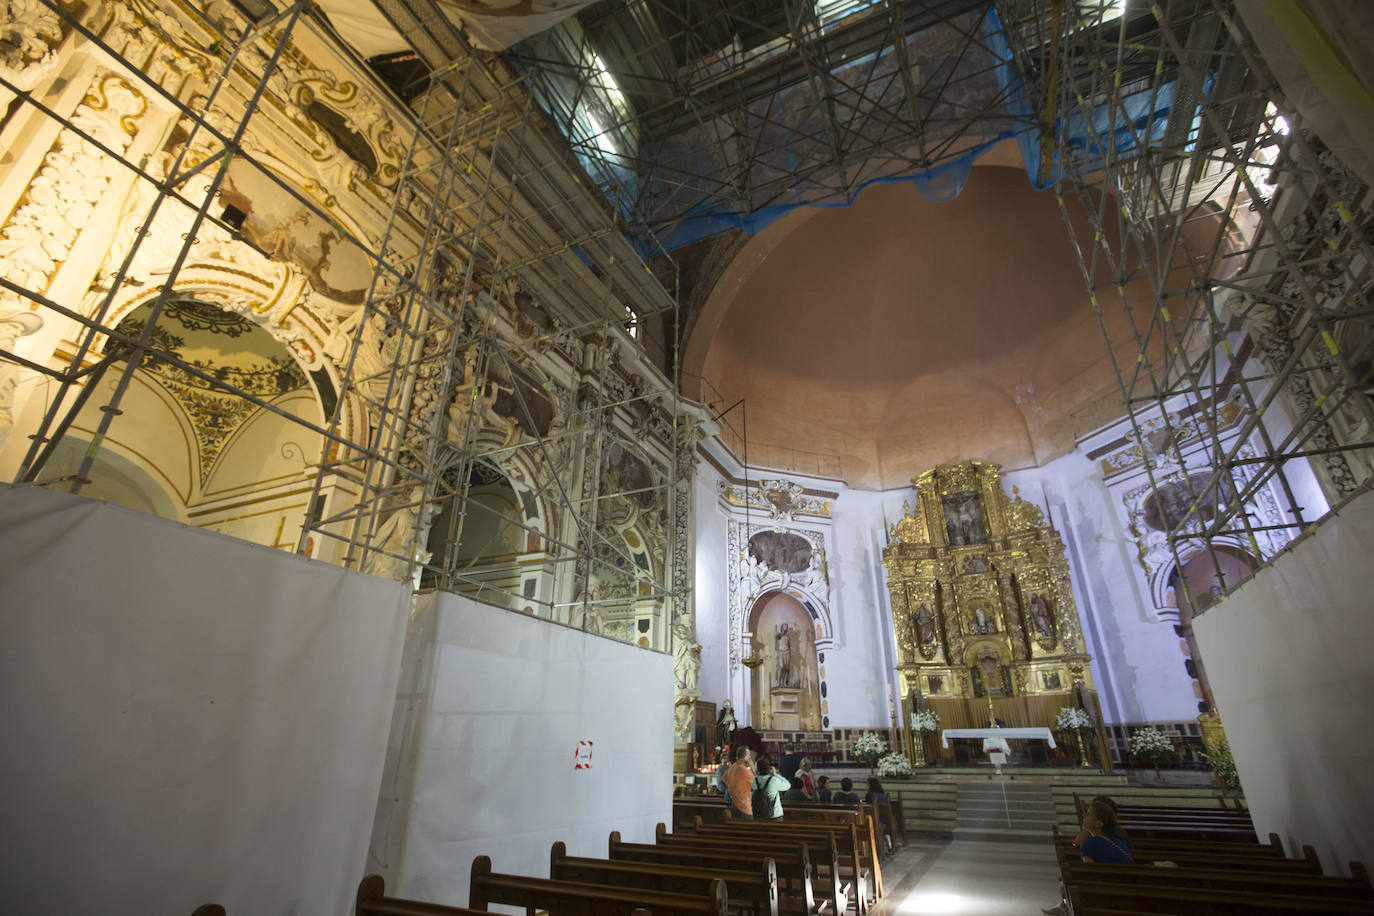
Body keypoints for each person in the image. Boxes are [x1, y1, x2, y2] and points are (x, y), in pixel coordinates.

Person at [1041, 796, 1133, 916]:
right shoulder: (1116, 841)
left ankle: (1064, 907)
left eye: (1088, 814)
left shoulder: (1089, 845)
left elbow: (1089, 875)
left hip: (1109, 895)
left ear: (1099, 823)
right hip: (1128, 891)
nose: (1084, 816)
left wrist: (1066, 880)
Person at [750, 756, 792, 820]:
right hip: (775, 814)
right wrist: (776, 774)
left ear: (758, 769)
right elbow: (788, 785)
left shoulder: (754, 781)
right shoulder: (773, 780)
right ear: (769, 768)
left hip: (759, 814)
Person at [724, 747, 757, 820]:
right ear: (746, 757)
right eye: (749, 755)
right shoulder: (743, 770)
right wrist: (753, 768)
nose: (750, 757)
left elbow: (725, 779)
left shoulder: (733, 767)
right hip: (744, 806)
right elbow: (757, 783)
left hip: (734, 804)